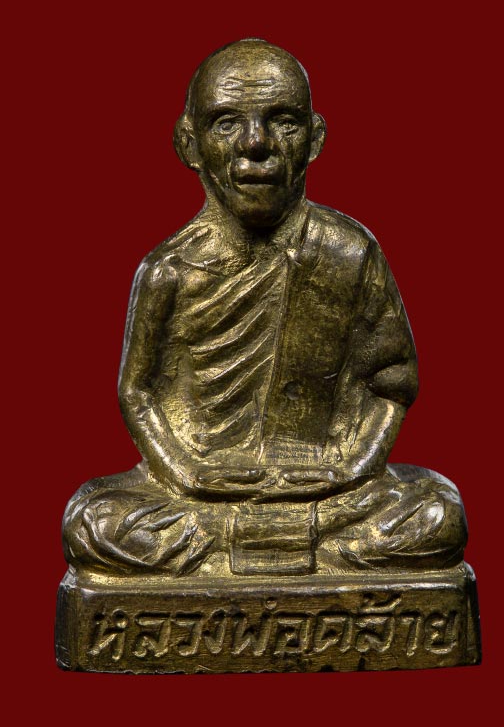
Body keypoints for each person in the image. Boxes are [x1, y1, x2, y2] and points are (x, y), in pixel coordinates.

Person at [63, 39, 467, 577]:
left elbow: (391, 383)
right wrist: (187, 474)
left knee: (439, 514)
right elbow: (137, 393)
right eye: (227, 123)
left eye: (283, 121)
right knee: (93, 522)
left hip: (327, 490)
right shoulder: (169, 270)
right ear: (189, 144)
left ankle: (266, 545)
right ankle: (292, 547)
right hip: (206, 495)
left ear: (315, 138)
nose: (256, 143)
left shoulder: (348, 252)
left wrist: (351, 468)